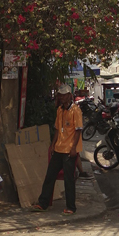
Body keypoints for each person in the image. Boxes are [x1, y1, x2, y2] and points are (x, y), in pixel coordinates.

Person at [32, 85, 83, 215]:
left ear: (69, 96)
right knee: (50, 176)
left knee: (68, 179)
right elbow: (57, 129)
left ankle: (71, 207)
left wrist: (73, 148)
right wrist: (53, 144)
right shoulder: (60, 110)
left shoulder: (75, 110)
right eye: (60, 95)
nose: (61, 97)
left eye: (64, 95)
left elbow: (78, 131)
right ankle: (43, 203)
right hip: (59, 148)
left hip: (69, 150)